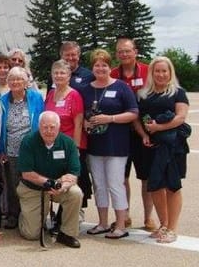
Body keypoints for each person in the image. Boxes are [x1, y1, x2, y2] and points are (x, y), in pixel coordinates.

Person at [79, 49, 138, 239]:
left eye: (104, 64)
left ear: (109, 67)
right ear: (92, 67)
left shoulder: (121, 87)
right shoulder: (87, 89)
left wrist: (110, 118)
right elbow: (81, 114)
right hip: (95, 145)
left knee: (115, 184)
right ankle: (103, 222)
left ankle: (120, 224)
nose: (100, 68)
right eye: (97, 65)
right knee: (99, 185)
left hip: (116, 146)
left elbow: (133, 113)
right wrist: (86, 123)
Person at [132, 57, 189, 244]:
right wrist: (144, 135)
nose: (161, 74)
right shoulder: (143, 94)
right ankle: (163, 224)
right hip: (151, 146)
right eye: (157, 71)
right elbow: (137, 118)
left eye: (165, 71)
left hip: (173, 147)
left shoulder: (178, 93)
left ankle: (172, 228)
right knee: (154, 185)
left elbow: (180, 117)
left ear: (170, 72)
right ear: (151, 73)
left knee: (172, 186)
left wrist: (158, 128)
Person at [16, 112, 83, 248]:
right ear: (39, 127)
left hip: (58, 186)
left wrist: (62, 186)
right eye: (45, 127)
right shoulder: (28, 141)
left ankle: (67, 233)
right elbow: (27, 173)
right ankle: (25, 216)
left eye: (52, 127)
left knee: (75, 193)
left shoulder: (68, 143)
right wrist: (48, 182)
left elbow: (74, 174)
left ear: (59, 127)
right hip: (33, 189)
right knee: (31, 235)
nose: (48, 131)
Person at [111, 37, 152, 230]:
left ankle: (148, 218)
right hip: (120, 133)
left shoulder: (148, 71)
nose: (124, 54)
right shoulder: (112, 74)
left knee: (146, 176)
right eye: (120, 51)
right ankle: (125, 215)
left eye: (127, 51)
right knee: (121, 177)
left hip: (144, 132)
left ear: (135, 51)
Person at [0, 66, 44, 229]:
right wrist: (1, 149)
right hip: (11, 150)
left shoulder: (36, 98)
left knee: (32, 183)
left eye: (19, 79)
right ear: (8, 82)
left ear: (26, 82)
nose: (15, 82)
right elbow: (0, 126)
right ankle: (13, 215)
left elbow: (41, 121)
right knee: (13, 184)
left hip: (32, 150)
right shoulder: (2, 101)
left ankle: (32, 216)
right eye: (12, 79)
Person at [45, 60, 90, 215]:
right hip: (52, 144)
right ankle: (56, 216)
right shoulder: (51, 94)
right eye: (55, 72)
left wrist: (75, 148)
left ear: (69, 75)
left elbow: (78, 124)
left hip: (70, 145)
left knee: (69, 181)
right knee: (54, 180)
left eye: (62, 72)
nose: (59, 75)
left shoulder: (74, 95)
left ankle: (72, 217)